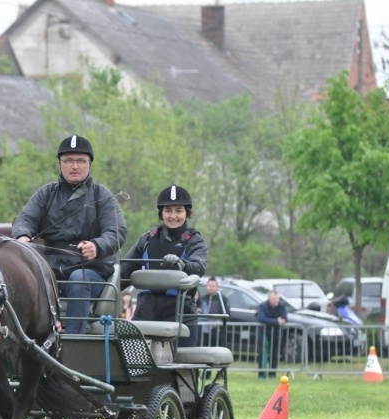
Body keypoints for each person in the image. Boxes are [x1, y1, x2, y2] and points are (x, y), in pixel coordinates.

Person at [12, 135, 126, 334]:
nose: (74, 166)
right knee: (20, 276)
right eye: (68, 160)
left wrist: (97, 246)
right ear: (60, 164)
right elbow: (25, 219)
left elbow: (116, 232)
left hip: (90, 269)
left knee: (79, 279)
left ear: (89, 164)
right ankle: (25, 335)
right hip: (51, 267)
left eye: (81, 160)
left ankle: (73, 339)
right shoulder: (47, 194)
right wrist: (22, 237)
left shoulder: (101, 195)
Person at [121, 185, 208, 348]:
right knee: (134, 360)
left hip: (181, 313)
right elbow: (124, 271)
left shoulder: (194, 241)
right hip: (146, 311)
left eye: (178, 210)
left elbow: (199, 267)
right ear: (161, 213)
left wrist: (181, 264)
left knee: (185, 362)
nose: (173, 216)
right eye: (168, 210)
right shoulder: (147, 239)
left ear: (187, 213)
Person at [257, 290, 288, 379]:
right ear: (269, 299)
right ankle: (262, 374)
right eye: (274, 299)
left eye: (277, 299)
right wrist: (276, 321)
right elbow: (261, 318)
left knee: (275, 354)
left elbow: (285, 318)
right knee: (262, 354)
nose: (276, 301)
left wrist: (277, 321)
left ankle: (272, 374)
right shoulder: (263, 306)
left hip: (276, 334)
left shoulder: (282, 306)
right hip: (264, 333)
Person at [197, 277, 230, 347]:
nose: (211, 288)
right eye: (209, 285)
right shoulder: (203, 299)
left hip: (217, 329)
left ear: (217, 287)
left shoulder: (222, 299)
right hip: (204, 330)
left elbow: (227, 313)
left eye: (213, 286)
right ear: (206, 286)